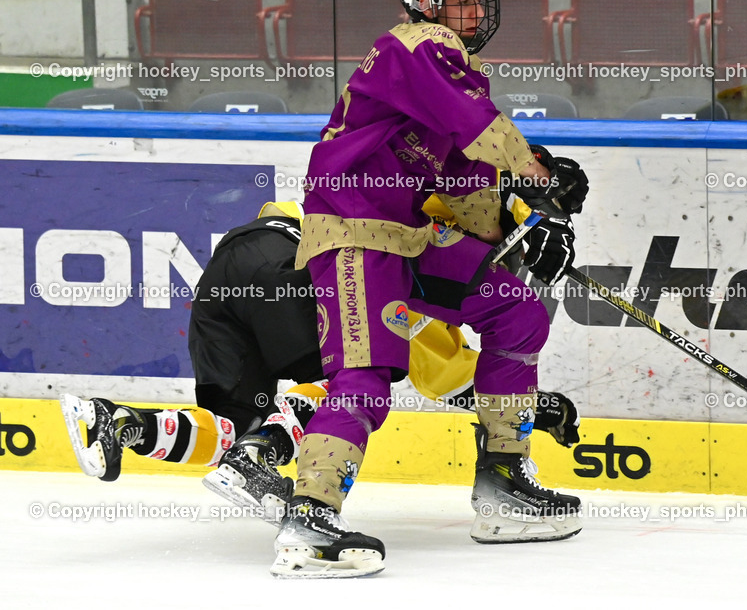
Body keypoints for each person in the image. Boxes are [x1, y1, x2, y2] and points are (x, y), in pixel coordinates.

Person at [272, 0, 590, 579]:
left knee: (517, 311)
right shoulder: (417, 47)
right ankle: (308, 524)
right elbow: (485, 131)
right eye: (460, 0)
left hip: (411, 236)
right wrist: (540, 175)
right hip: (356, 232)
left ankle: (504, 484)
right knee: (365, 376)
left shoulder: (451, 75)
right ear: (424, 2)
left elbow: (470, 192)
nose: (475, 12)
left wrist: (526, 227)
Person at [59, 201, 582, 522]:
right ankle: (258, 456)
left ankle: (121, 424)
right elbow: (449, 380)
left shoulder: (397, 206)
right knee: (351, 376)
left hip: (232, 266)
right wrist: (535, 405)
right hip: (303, 267)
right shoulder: (406, 267)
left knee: (230, 426)